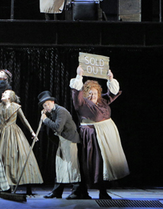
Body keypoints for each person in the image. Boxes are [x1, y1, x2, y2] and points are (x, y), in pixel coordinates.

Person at [69, 66, 129, 199]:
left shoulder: (103, 101)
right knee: (89, 163)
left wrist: (110, 79)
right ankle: (83, 191)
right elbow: (75, 93)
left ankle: (103, 191)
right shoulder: (81, 103)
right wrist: (79, 76)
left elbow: (113, 93)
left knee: (103, 163)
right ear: (85, 94)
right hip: (90, 136)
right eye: (89, 93)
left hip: (106, 137)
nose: (92, 96)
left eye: (95, 93)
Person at [0, 90, 43, 194]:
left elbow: (24, 120)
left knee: (19, 156)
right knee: (2, 156)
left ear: (10, 97)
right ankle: (6, 184)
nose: (2, 94)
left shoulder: (16, 107)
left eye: (5, 93)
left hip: (14, 133)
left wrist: (32, 132)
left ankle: (27, 183)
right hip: (2, 133)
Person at [38, 91, 89, 200]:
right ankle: (57, 192)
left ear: (53, 102)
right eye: (44, 105)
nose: (46, 107)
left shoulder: (61, 111)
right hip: (62, 141)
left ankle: (77, 192)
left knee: (72, 165)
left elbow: (57, 127)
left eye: (48, 104)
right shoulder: (51, 112)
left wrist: (45, 119)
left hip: (70, 140)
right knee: (60, 165)